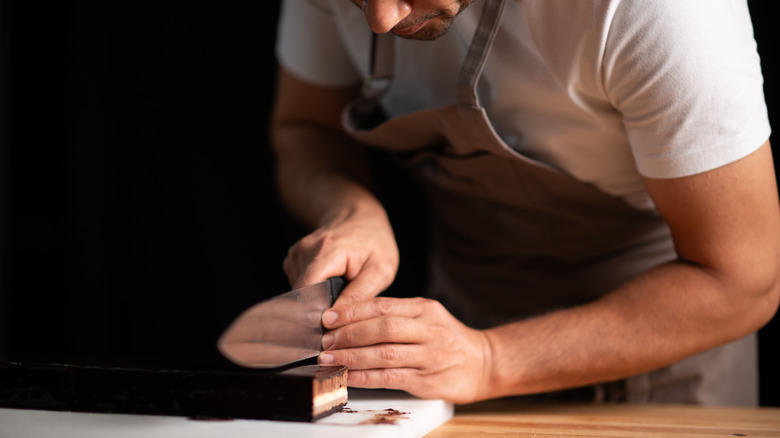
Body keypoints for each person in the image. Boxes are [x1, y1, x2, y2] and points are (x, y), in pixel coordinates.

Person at [269, 0, 780, 405]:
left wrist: (489, 360)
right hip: (456, 335)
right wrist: (350, 209)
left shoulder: (657, 11)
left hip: (662, 354)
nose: (381, 19)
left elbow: (744, 281)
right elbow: (306, 127)